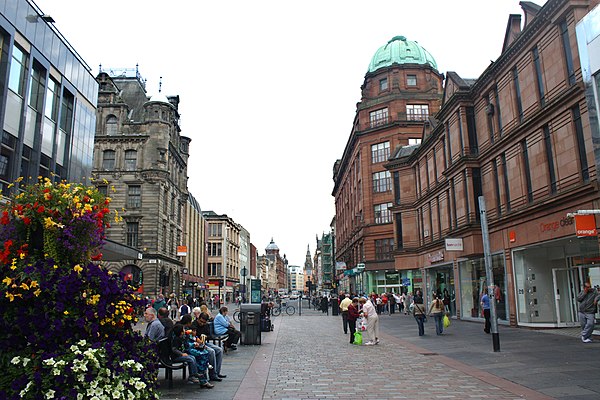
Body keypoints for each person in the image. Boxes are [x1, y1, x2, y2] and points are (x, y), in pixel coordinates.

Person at [186, 312, 227, 381]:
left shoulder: (206, 325)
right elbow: (193, 337)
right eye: (201, 321)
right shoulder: (194, 325)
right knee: (211, 352)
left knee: (219, 350)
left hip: (204, 343)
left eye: (204, 322)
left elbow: (209, 335)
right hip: (197, 344)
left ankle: (216, 372)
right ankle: (212, 374)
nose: (202, 323)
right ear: (198, 319)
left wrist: (205, 337)